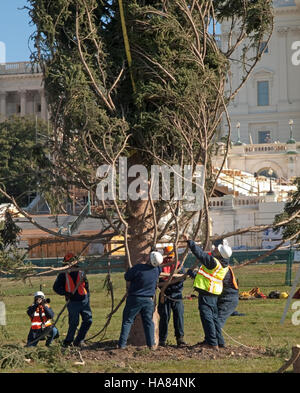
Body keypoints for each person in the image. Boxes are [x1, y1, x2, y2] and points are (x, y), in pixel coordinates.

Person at [184, 236, 231, 350]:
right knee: (214, 318)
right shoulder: (224, 264)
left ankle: (211, 342)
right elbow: (209, 277)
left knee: (207, 317)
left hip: (207, 292)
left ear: (220, 254)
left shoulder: (213, 262)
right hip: (213, 293)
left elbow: (200, 254)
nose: (214, 249)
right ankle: (220, 342)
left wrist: (190, 242)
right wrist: (193, 275)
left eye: (216, 250)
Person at [118, 251, 163, 350]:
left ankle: (122, 345)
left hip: (135, 298)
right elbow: (158, 267)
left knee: (128, 321)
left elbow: (127, 277)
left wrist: (131, 269)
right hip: (148, 300)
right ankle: (151, 345)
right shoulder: (157, 270)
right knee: (148, 322)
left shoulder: (138, 268)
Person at [53, 253, 92, 348]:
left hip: (84, 300)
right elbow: (56, 287)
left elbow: (86, 285)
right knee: (74, 323)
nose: (71, 264)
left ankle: (79, 340)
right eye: (68, 262)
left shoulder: (81, 272)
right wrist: (65, 293)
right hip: (72, 302)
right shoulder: (63, 274)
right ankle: (68, 341)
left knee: (88, 320)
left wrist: (88, 298)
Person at [158, 246, 186, 347]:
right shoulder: (161, 264)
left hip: (176, 293)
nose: (170, 259)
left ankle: (180, 338)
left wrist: (173, 285)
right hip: (164, 294)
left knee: (178, 317)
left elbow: (182, 278)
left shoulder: (179, 264)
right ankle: (162, 340)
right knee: (164, 317)